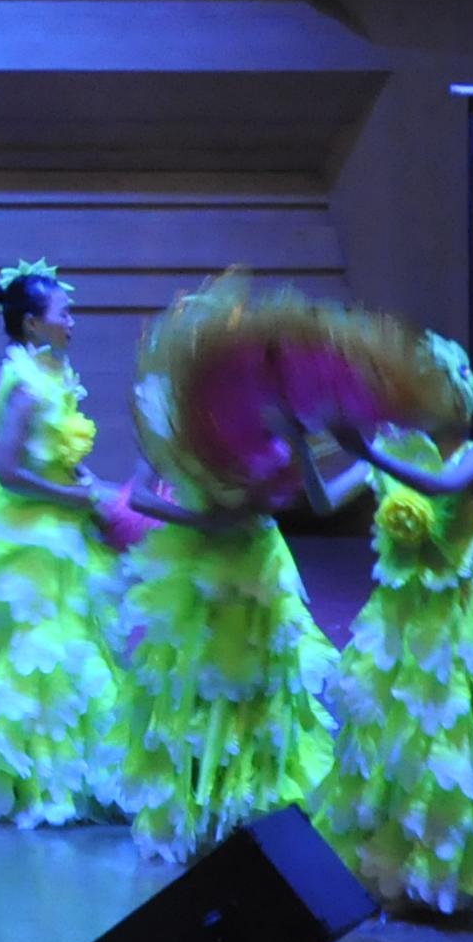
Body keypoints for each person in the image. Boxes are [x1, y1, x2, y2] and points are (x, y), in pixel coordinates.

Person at [314, 347, 473, 926]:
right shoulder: (392, 455)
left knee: (451, 750)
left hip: (457, 623)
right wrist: (309, 449)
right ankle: (399, 871)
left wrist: (367, 450)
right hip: (396, 627)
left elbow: (439, 484)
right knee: (394, 750)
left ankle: (454, 874)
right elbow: (322, 501)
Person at [109, 323, 352, 866]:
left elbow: (309, 498)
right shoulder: (178, 414)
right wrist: (204, 519)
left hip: (260, 567)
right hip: (200, 569)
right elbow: (141, 496)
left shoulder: (276, 417)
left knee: (260, 684)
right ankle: (199, 807)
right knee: (198, 683)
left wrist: (299, 453)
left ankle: (255, 811)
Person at [0, 262, 127, 826]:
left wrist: (91, 488)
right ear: (34, 324)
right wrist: (71, 497)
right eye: (65, 313)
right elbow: (10, 470)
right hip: (30, 534)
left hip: (62, 528)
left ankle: (70, 765)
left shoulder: (56, 372)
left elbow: (59, 454)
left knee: (70, 645)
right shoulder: (23, 384)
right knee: (33, 648)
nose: (73, 321)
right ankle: (24, 771)